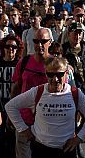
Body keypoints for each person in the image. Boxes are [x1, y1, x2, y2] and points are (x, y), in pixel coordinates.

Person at [5, 56, 85, 158]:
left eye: (59, 74)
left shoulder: (74, 93)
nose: (55, 79)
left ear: (66, 74)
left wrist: (79, 138)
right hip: (41, 150)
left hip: (66, 150)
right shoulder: (38, 91)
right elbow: (10, 106)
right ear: (46, 74)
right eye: (50, 75)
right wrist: (23, 129)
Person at [10, 27, 52, 158]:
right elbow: (15, 89)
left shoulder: (55, 65)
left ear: (50, 42)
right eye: (36, 41)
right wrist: (11, 116)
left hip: (47, 124)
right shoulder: (24, 62)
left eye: (43, 41)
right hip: (25, 122)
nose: (39, 45)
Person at [0, 34, 22, 155]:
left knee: (12, 137)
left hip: (14, 106)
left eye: (13, 47)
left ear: (17, 49)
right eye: (7, 46)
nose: (10, 49)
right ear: (3, 48)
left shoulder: (20, 64)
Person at [62, 21, 85, 98]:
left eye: (80, 34)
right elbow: (58, 63)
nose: (78, 36)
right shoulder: (63, 49)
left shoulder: (84, 46)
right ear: (69, 34)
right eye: (75, 34)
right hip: (72, 88)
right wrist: (66, 66)